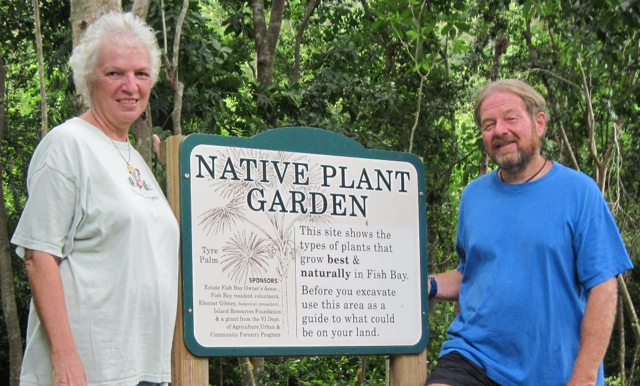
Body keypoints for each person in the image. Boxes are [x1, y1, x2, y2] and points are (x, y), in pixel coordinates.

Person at [425, 79, 633, 386]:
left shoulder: (579, 192)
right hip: (474, 358)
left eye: (510, 118)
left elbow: (603, 287)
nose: (499, 131)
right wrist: (423, 284)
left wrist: (584, 378)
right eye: (488, 124)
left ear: (539, 123)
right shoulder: (473, 196)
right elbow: (472, 274)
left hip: (552, 372)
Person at [11, 12, 179, 386]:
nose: (130, 85)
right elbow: (39, 257)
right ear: (89, 80)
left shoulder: (135, 158)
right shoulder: (67, 145)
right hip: (89, 371)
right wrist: (66, 359)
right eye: (115, 73)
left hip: (145, 369)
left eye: (141, 73)